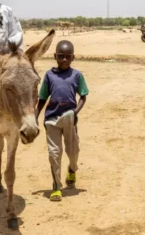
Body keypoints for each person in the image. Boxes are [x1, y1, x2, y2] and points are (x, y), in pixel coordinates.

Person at [35, 40, 89, 202]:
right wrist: (35, 117)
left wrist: (75, 113)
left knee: (73, 151)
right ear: (55, 56)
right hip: (51, 119)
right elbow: (42, 98)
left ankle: (72, 169)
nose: (64, 60)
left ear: (73, 57)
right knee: (54, 153)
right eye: (60, 56)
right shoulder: (49, 76)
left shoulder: (77, 75)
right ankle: (56, 187)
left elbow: (83, 97)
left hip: (69, 119)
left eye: (67, 57)